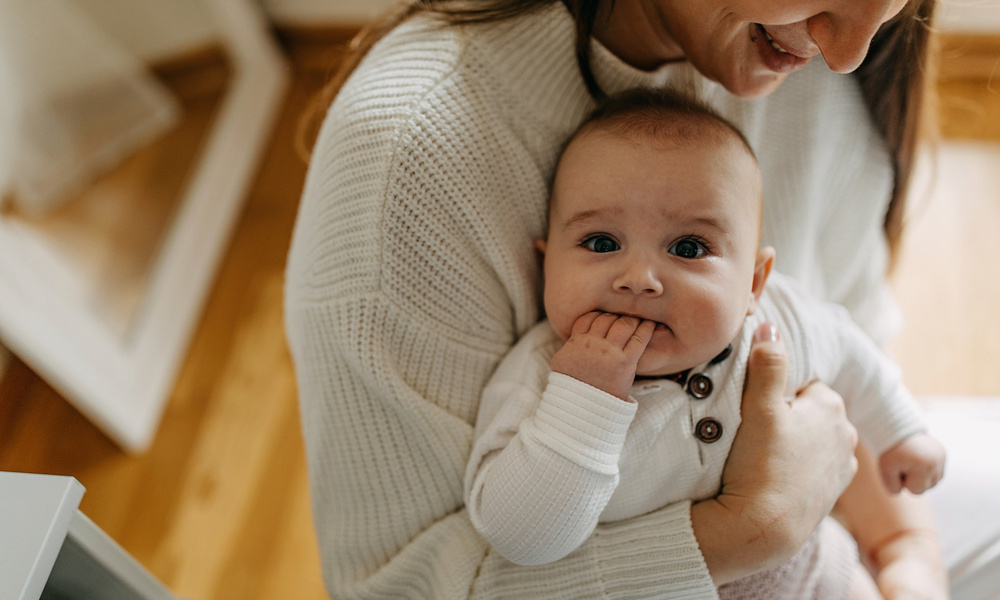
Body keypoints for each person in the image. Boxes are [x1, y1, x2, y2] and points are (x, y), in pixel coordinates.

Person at [284, 0, 998, 598]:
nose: (846, 53)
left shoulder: (813, 50)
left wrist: (908, 551)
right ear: (545, 256)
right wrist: (749, 531)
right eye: (599, 243)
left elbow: (851, 342)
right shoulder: (407, 161)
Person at [464, 87, 946, 599]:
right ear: (546, 266)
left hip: (816, 576)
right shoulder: (540, 380)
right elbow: (522, 539)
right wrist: (584, 404)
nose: (639, 278)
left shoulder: (777, 322)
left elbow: (854, 355)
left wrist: (900, 432)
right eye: (601, 243)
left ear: (754, 284)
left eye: (688, 248)